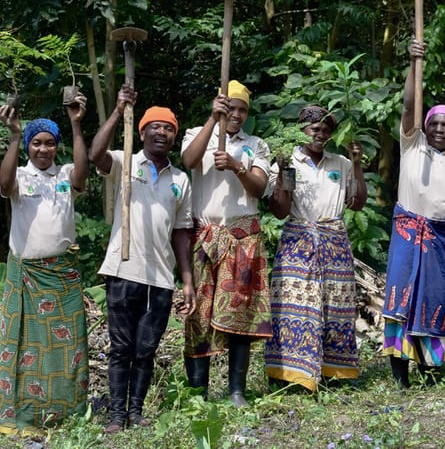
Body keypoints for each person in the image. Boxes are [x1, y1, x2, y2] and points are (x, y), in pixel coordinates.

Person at [89, 86, 196, 434]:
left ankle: (136, 412)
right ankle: (116, 415)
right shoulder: (126, 161)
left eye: (168, 128)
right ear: (142, 131)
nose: (162, 132)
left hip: (161, 279)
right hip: (123, 270)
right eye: (155, 126)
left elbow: (182, 232)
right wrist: (119, 110)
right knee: (121, 348)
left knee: (146, 348)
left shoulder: (180, 180)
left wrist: (187, 280)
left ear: (174, 136)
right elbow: (95, 155)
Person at [382, 40, 445, 388]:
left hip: (444, 241)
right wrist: (413, 63)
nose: (439, 129)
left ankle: (430, 371)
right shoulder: (413, 145)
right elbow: (409, 106)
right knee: (402, 300)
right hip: (408, 236)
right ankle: (400, 375)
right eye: (434, 123)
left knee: (437, 299)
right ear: (427, 126)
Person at [0, 94, 89, 434]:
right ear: (27, 146)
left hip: (62, 276)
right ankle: (21, 415)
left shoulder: (65, 175)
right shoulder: (20, 175)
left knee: (68, 347)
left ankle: (64, 413)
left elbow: (82, 175)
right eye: (36, 143)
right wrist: (12, 135)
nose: (43, 150)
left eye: (49, 143)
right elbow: (4, 186)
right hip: (27, 276)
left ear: (57, 147)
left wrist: (76, 124)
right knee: (23, 346)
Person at [181, 80, 272, 407]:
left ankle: (236, 390)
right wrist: (212, 120)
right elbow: (189, 161)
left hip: (242, 237)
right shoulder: (196, 134)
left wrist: (235, 166)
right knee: (199, 315)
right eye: (230, 108)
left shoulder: (256, 145)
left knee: (240, 316)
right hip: (206, 236)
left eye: (242, 110)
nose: (236, 115)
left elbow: (260, 187)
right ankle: (198, 391)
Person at [265, 106, 367, 391]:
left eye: (324, 130)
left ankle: (334, 373)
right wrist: (285, 170)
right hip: (298, 240)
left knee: (336, 305)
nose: (319, 134)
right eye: (313, 129)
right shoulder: (289, 161)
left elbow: (357, 203)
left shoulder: (341, 163)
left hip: (333, 240)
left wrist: (357, 164)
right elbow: (280, 211)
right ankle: (290, 375)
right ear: (302, 130)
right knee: (295, 307)